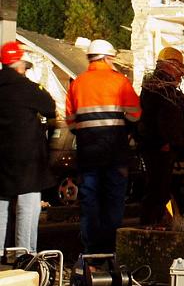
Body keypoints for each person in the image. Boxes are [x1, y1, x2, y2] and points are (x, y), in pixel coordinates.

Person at [66, 39, 141, 253]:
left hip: (87, 153)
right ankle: (110, 249)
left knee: (89, 200)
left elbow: (70, 120)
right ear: (107, 58)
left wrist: (86, 133)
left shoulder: (77, 83)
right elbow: (135, 114)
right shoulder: (119, 82)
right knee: (114, 199)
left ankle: (91, 250)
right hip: (115, 153)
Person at [0, 42, 56, 253]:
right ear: (20, 64)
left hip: (1, 158)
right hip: (28, 158)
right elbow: (50, 108)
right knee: (28, 206)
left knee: (1, 206)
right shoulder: (27, 87)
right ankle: (24, 255)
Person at [138, 47, 184, 225]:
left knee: (175, 189)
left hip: (174, 149)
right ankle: (149, 226)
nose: (181, 73)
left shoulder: (175, 96)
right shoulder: (154, 92)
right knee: (157, 190)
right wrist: (161, 143)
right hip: (159, 150)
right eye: (179, 66)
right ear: (169, 65)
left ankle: (169, 225)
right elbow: (148, 121)